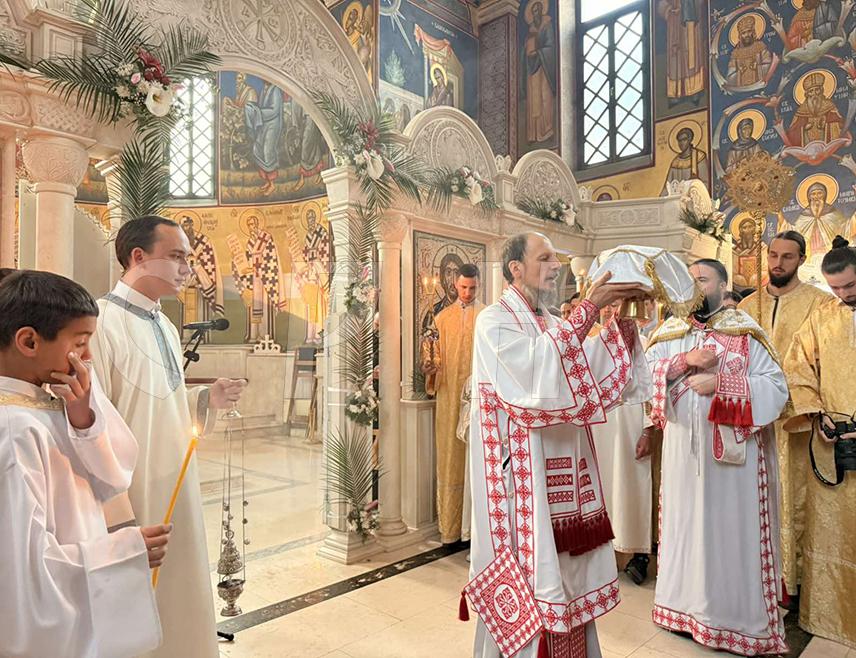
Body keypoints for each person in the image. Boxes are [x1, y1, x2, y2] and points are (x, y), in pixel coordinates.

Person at [468, 232, 652, 657]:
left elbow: (589, 378)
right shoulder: (493, 322)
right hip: (522, 488)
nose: (555, 266)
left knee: (565, 581)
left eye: (555, 258)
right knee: (534, 580)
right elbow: (536, 380)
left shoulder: (552, 323)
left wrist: (619, 325)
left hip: (564, 491)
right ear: (516, 268)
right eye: (545, 258)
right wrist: (588, 309)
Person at [90, 216, 247, 658]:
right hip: (133, 490)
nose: (186, 269)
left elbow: (164, 402)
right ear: (138, 257)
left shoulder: (162, 324)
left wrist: (205, 398)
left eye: (188, 259)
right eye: (176, 257)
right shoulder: (102, 322)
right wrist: (114, 510)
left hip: (177, 481)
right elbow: (93, 419)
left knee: (181, 588)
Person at [0, 270, 169, 657]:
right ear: (28, 340)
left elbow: (111, 478)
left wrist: (83, 420)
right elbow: (24, 575)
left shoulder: (46, 403)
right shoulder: (13, 429)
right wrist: (124, 552)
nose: (88, 356)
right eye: (81, 342)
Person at [646, 259, 789, 654]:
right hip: (681, 457)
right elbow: (643, 376)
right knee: (684, 528)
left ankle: (734, 621)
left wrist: (721, 383)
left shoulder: (746, 332)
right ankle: (681, 610)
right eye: (689, 280)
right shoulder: (670, 332)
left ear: (723, 286)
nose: (695, 286)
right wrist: (681, 362)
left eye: (703, 279)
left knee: (730, 532)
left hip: (733, 471)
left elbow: (776, 389)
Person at [739, 231, 833, 600]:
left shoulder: (819, 303)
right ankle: (756, 574)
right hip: (754, 420)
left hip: (796, 420)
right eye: (773, 255)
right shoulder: (747, 307)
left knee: (793, 498)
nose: (778, 263)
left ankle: (792, 578)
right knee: (754, 498)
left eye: (788, 257)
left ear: (801, 259)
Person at [782, 235, 856, 648]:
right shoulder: (824, 315)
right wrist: (816, 412)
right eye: (836, 288)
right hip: (831, 446)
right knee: (832, 532)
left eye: (850, 286)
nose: (844, 295)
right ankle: (829, 616)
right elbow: (797, 366)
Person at [588, 300, 654, 584]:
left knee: (631, 486)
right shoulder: (591, 343)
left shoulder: (644, 342)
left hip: (631, 426)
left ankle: (636, 555)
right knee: (603, 488)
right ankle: (602, 555)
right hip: (600, 428)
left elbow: (651, 390)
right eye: (607, 304)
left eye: (617, 305)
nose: (610, 311)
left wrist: (648, 430)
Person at [423, 264, 484, 545]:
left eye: (472, 288)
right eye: (463, 287)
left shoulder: (488, 316)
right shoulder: (442, 318)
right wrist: (430, 371)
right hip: (449, 399)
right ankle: (451, 529)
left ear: (478, 285)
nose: (467, 293)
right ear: (454, 286)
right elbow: (431, 362)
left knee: (478, 460)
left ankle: (477, 530)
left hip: (481, 399)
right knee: (450, 456)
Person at [657, 0, 705, 105]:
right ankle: (675, 93)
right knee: (675, 58)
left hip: (691, 25)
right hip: (674, 24)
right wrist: (670, 10)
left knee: (691, 57)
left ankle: (694, 89)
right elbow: (661, 5)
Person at [523, 0, 556, 143]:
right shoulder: (530, 30)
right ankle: (533, 134)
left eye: (538, 10)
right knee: (533, 102)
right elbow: (524, 52)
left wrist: (539, 52)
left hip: (544, 67)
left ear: (542, 11)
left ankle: (547, 130)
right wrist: (527, 50)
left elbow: (550, 46)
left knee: (545, 97)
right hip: (532, 70)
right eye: (534, 11)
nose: (536, 13)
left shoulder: (547, 26)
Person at [787, 73, 844, 147]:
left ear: (821, 90)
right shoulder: (801, 110)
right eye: (811, 91)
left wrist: (826, 125)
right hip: (808, 147)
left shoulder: (829, 106)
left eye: (817, 90)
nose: (814, 94)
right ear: (807, 94)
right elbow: (792, 132)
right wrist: (804, 128)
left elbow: (840, 124)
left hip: (827, 144)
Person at [726, 15, 773, 88]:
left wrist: (757, 67)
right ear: (740, 36)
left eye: (749, 31)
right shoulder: (736, 54)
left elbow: (769, 66)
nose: (747, 35)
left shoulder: (760, 47)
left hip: (760, 87)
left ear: (753, 32)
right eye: (743, 33)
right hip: (743, 90)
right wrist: (739, 71)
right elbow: (730, 77)